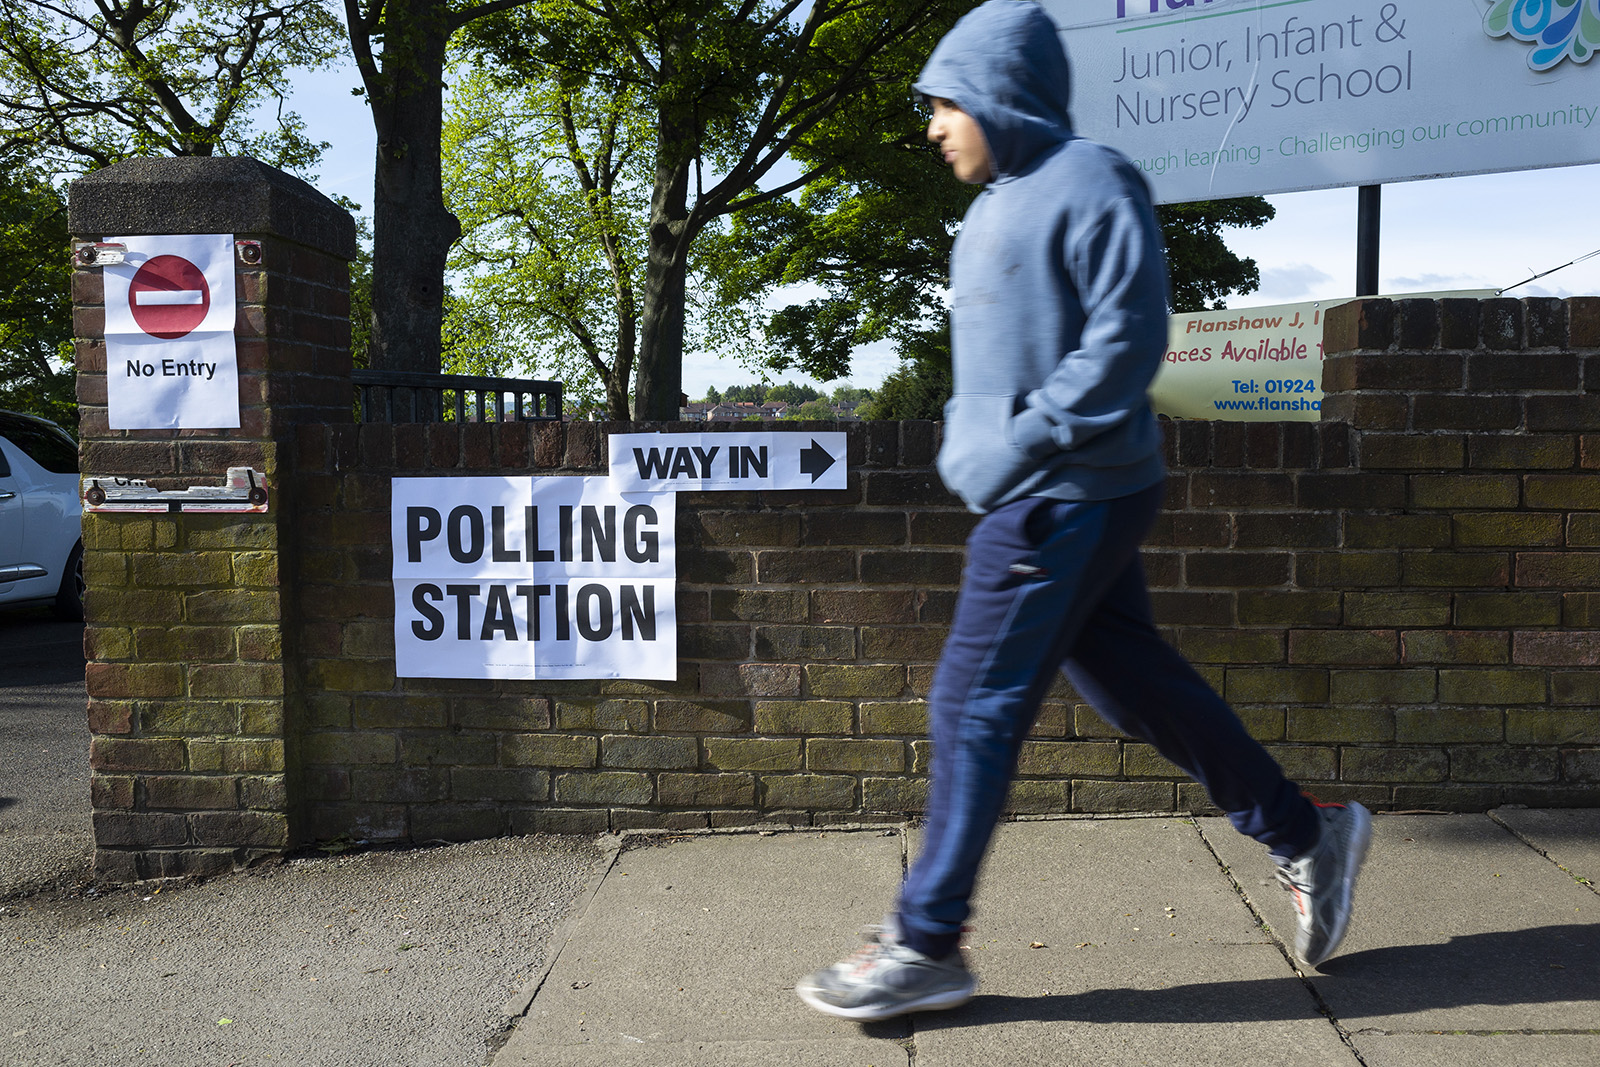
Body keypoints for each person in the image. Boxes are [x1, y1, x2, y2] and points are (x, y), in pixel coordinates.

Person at [795, 0, 1371, 1022]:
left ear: (995, 94)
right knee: (1134, 690)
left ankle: (925, 940)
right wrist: (967, 431)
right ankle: (1304, 831)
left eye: (942, 104)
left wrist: (1015, 440)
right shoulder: (986, 211)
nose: (932, 126)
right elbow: (1000, 357)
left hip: (1060, 493)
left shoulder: (1091, 179)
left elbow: (1126, 344)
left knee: (971, 705)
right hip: (1047, 490)